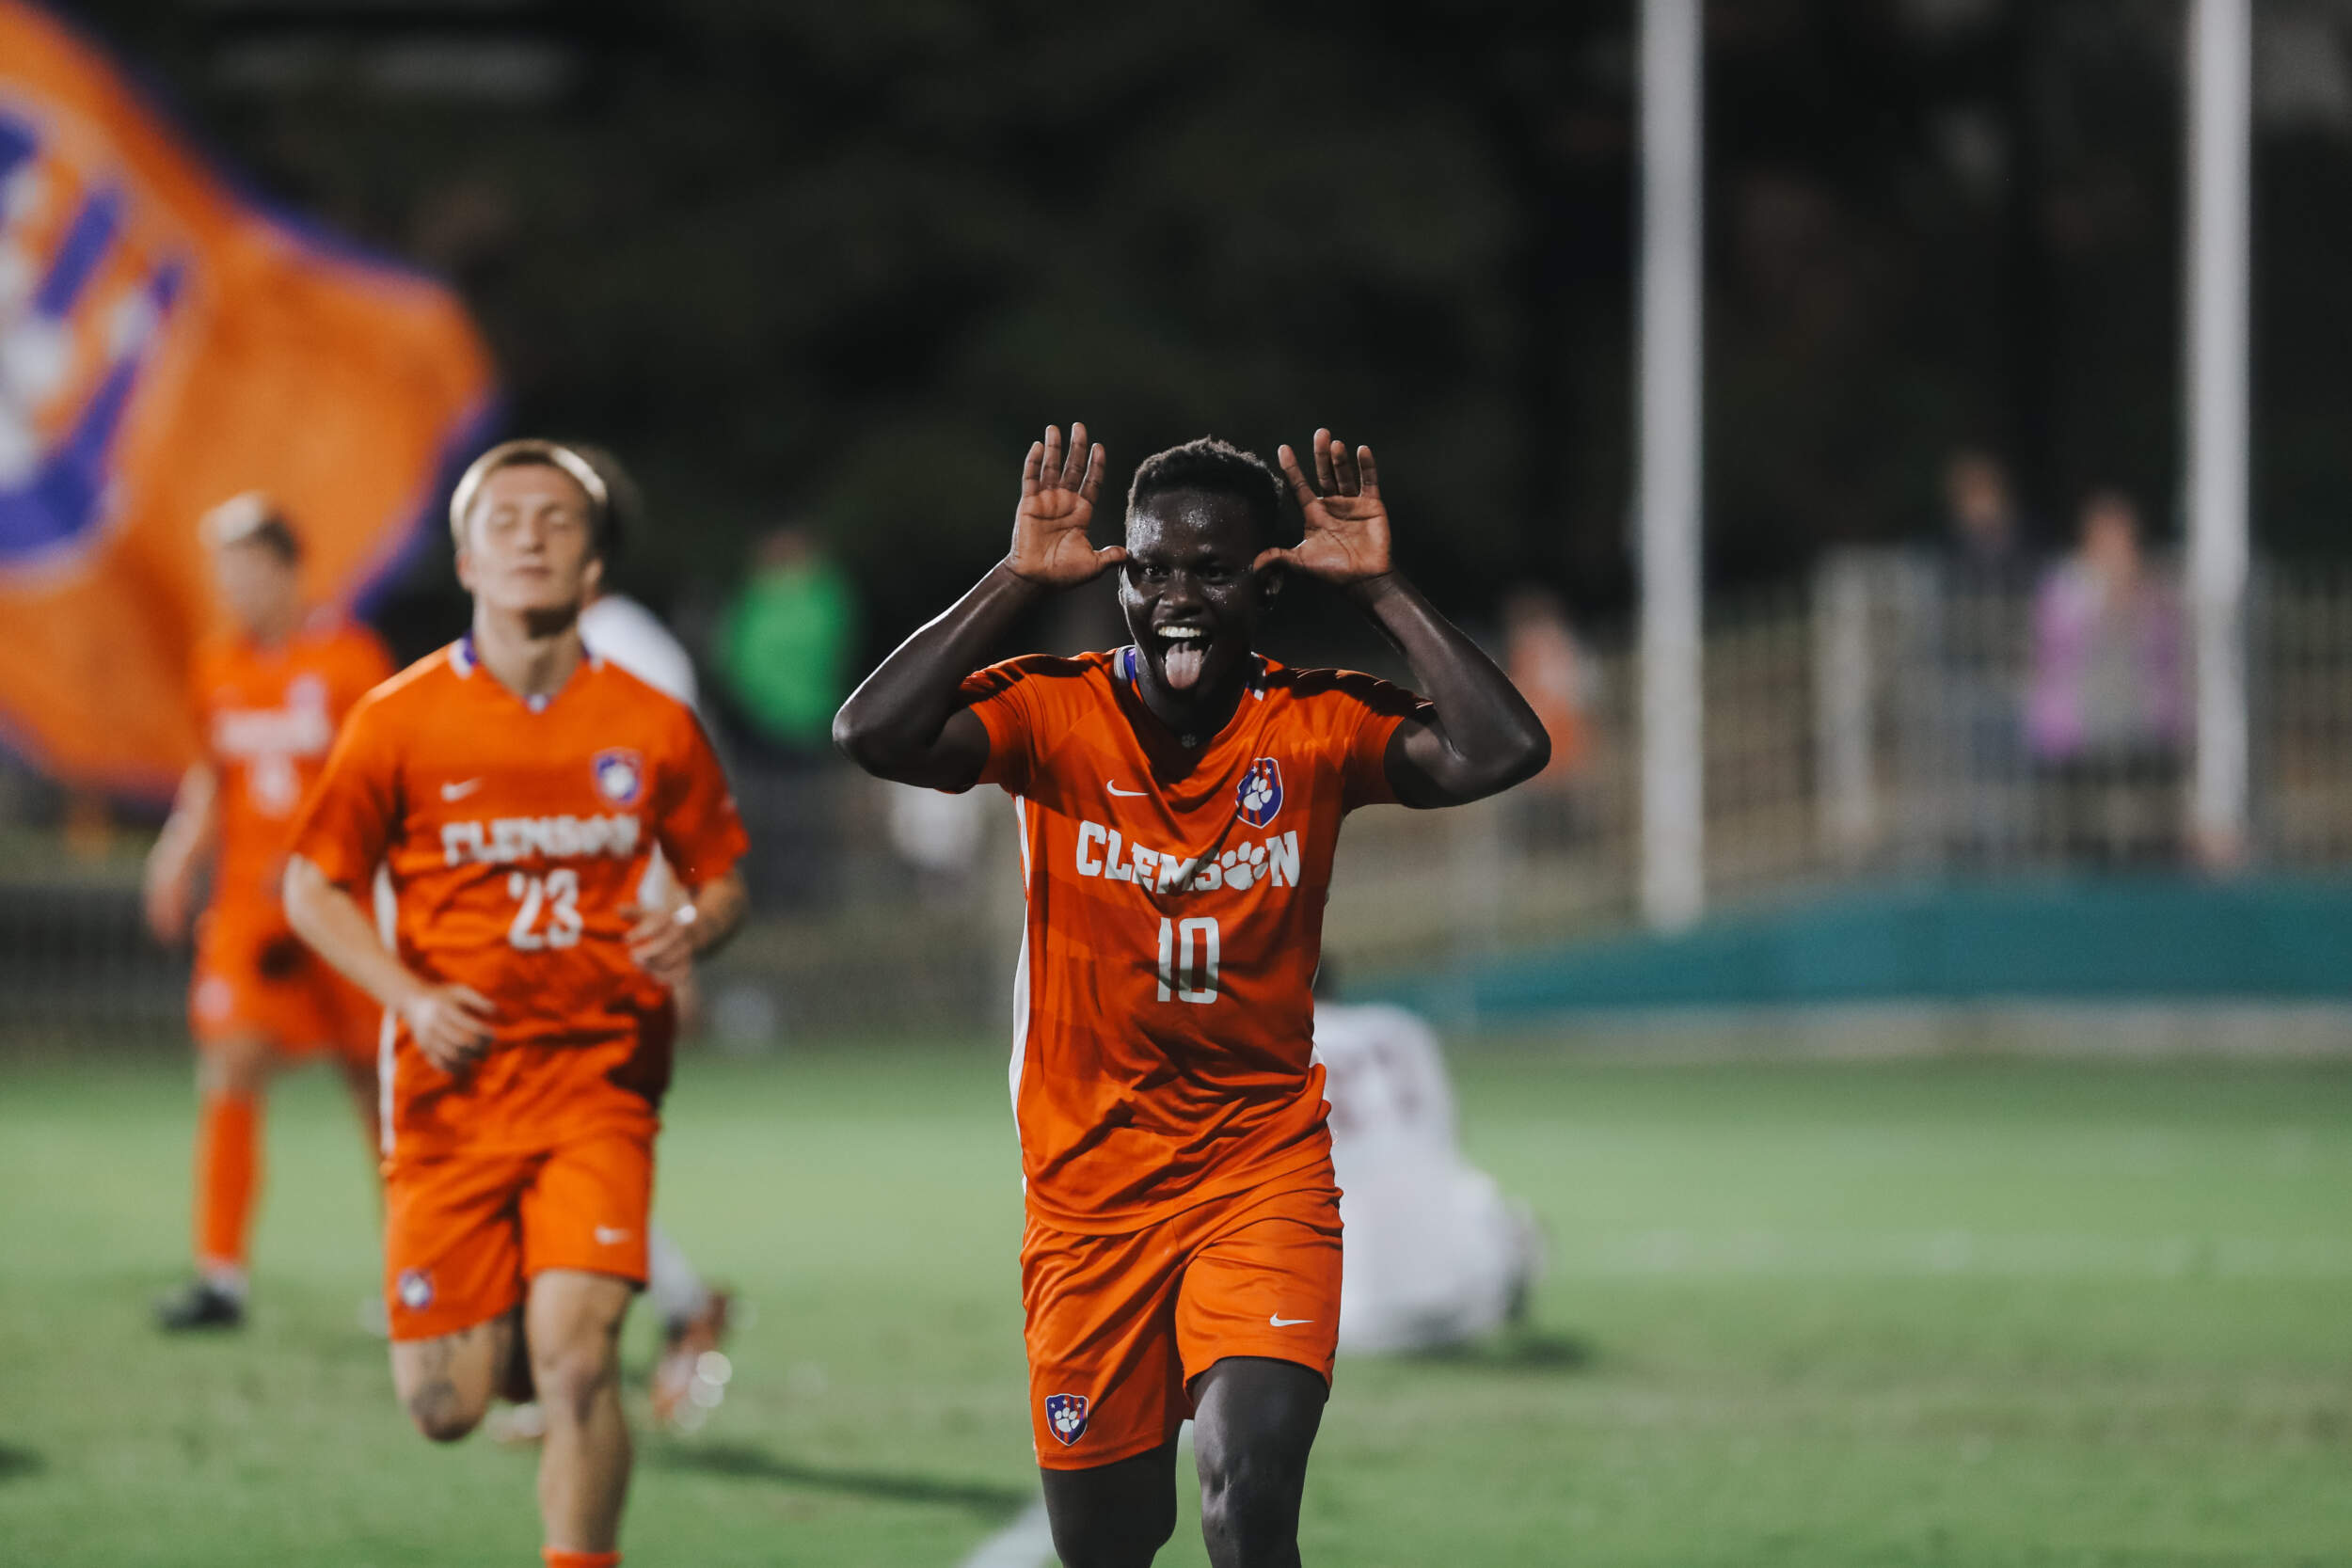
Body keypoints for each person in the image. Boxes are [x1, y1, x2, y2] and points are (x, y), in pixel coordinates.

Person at [833, 423, 1549, 1568]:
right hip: (1086, 1199)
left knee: (1245, 1497)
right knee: (1109, 1543)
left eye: (1211, 572)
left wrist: (1380, 589)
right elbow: (872, 730)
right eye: (1152, 568)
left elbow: (1502, 748)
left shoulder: (1312, 724)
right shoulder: (1052, 710)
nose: (1176, 597)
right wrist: (1015, 574)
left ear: (1265, 583)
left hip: (1257, 1172)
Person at [281, 439, 749, 1568]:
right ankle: (518, 1324)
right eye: (505, 519)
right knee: (446, 1402)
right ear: (464, 559)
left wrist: (689, 929)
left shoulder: (649, 722)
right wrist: (408, 992)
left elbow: (723, 874)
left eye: (556, 519)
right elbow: (311, 884)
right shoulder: (397, 720)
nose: (530, 535)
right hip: (449, 1092)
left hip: (599, 1080)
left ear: (593, 567)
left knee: (584, 1361)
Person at [143, 492, 393, 1331]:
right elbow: (214, 773)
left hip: (343, 905)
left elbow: (384, 783)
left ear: (291, 568)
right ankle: (221, 1275)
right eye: (227, 572)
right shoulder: (217, 663)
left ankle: (416, 1269)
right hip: (250, 908)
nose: (238, 587)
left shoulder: (352, 661)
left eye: (252, 568)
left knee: (377, 1085)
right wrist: (179, 849)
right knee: (229, 1065)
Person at [1311, 989, 1543, 1354]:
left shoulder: (1274, 1038)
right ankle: (1502, 1264)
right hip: (1467, 1305)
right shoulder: (1399, 1026)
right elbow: (1449, 1132)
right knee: (1479, 1194)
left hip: (1354, 1320)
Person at [2025, 489, 2186, 867]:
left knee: (2153, 814)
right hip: (2081, 724)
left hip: (2142, 719)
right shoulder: (2066, 584)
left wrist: (2133, 594)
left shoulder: (2153, 585)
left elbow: (2165, 649)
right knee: (2080, 823)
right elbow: (2056, 647)